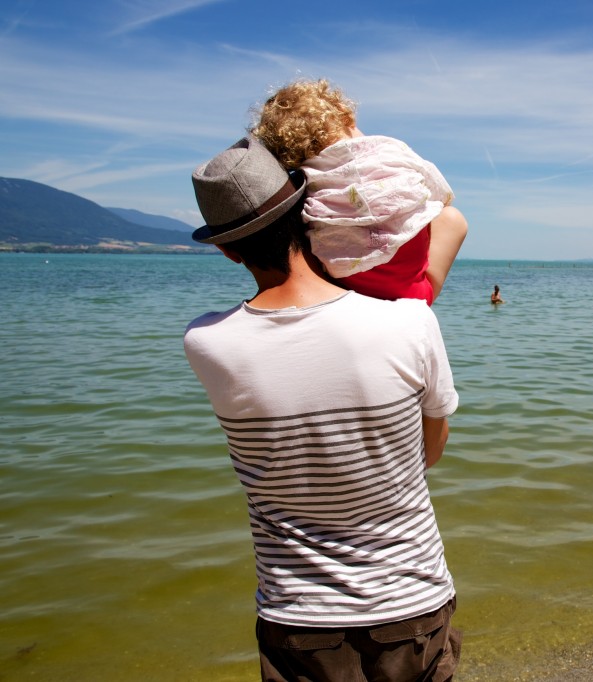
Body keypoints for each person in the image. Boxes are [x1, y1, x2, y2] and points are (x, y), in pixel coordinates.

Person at [183, 137, 462, 682]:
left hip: (297, 616)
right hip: (411, 599)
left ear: (227, 250)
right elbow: (430, 451)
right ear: (306, 215)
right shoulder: (409, 322)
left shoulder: (206, 342)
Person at [250, 78, 467, 305]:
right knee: (452, 218)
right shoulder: (389, 149)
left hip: (347, 286)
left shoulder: (305, 180)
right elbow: (440, 194)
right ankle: (422, 296)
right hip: (412, 293)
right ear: (345, 115)